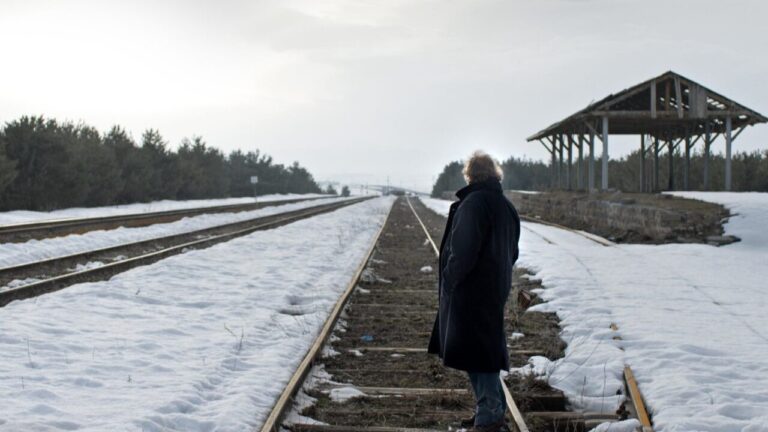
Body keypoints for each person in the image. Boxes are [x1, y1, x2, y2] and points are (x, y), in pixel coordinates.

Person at [427, 151, 521, 432]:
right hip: (493, 288)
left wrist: (450, 279)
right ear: (495, 174)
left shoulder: (474, 204)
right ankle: (489, 409)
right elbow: (513, 251)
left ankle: (490, 415)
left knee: (478, 354)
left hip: (471, 290)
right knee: (482, 350)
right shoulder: (505, 205)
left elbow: (463, 251)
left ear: (470, 175)